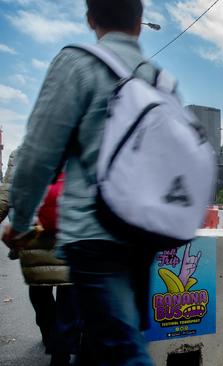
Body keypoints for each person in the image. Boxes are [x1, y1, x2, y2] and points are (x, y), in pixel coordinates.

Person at [3, 1, 166, 364]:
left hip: (94, 236)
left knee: (121, 348)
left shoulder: (76, 64)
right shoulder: (156, 76)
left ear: (90, 19)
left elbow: (37, 155)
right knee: (106, 342)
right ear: (140, 24)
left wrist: (22, 220)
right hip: (142, 235)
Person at [1, 149, 80, 366]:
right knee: (68, 291)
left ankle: (49, 336)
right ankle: (61, 346)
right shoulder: (77, 146)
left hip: (33, 231)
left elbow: (7, 192)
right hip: (70, 230)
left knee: (39, 289)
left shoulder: (21, 152)